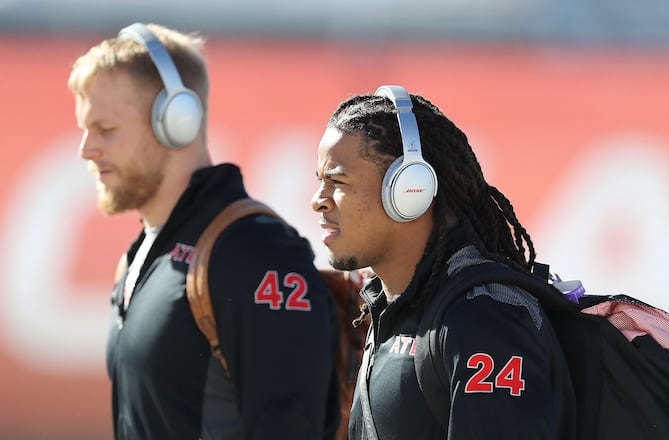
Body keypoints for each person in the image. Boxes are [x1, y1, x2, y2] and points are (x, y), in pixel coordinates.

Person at [69, 22, 339, 439]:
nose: (86, 149)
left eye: (106, 130)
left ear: (176, 121)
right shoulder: (144, 252)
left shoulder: (253, 250)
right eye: (85, 129)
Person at [311, 85, 577, 439]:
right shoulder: (395, 308)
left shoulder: (482, 320)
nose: (319, 200)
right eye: (320, 181)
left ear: (409, 190)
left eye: (337, 181)